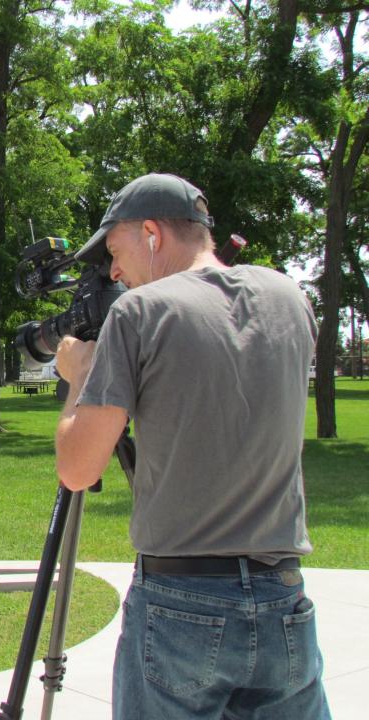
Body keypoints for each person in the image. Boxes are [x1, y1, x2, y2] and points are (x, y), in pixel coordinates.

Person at [54, 173, 331, 719]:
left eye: (115, 249)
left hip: (181, 604)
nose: (113, 271)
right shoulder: (291, 297)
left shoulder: (138, 314)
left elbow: (78, 469)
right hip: (285, 599)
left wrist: (80, 377)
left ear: (152, 235)